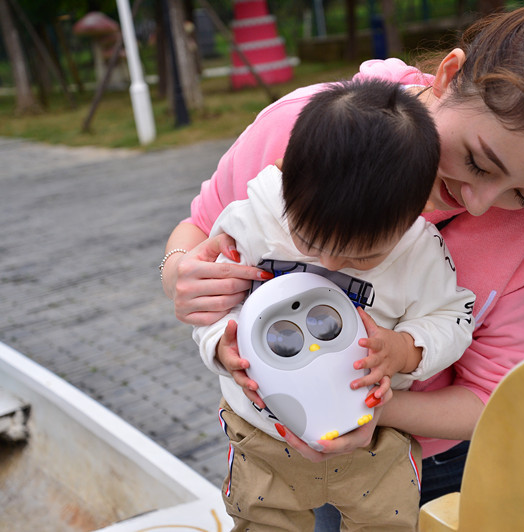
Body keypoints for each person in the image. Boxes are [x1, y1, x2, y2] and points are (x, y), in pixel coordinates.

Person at [161, 0, 524, 523]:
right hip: (271, 448)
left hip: (429, 466)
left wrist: (368, 405)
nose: (480, 202)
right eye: (479, 161)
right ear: (449, 73)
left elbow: (493, 397)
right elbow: (201, 227)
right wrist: (181, 272)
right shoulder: (305, 126)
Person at [192, 79, 476, 531]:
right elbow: (210, 302)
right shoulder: (252, 219)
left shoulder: (420, 249)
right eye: (307, 240)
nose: (326, 262)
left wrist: (405, 349)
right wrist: (220, 348)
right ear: (287, 178)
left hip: (373, 440)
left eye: (361, 257)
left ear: (414, 215)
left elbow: (454, 317)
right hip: (263, 435)